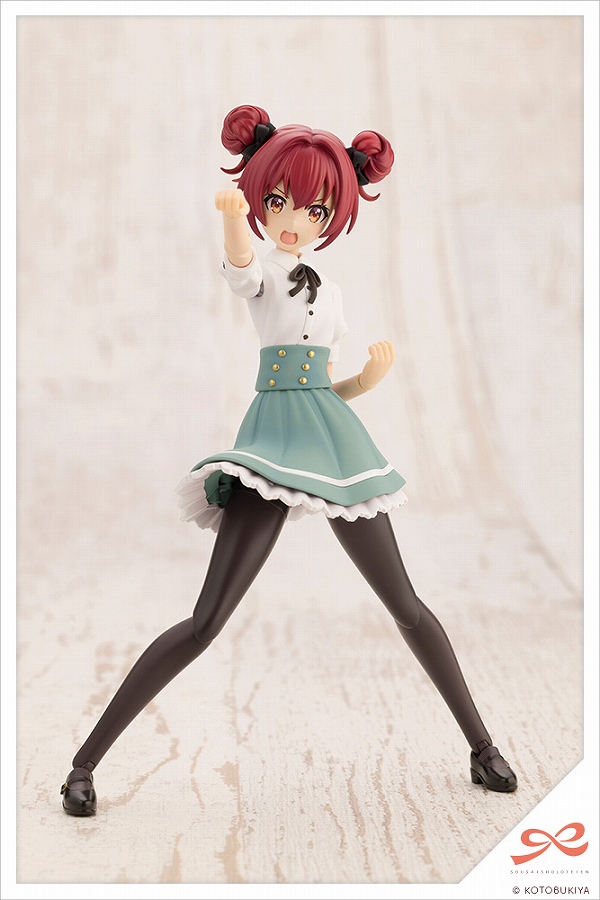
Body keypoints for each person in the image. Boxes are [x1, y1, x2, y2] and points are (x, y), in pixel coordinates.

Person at [60, 105, 517, 817]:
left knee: (403, 602)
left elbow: (320, 383)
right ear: (259, 200)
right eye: (278, 201)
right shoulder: (265, 271)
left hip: (332, 441)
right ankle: (84, 763)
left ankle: (481, 747)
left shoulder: (327, 289)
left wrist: (361, 381)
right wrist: (230, 221)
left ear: (333, 216)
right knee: (207, 620)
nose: (294, 220)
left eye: (314, 209)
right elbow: (241, 269)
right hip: (273, 446)